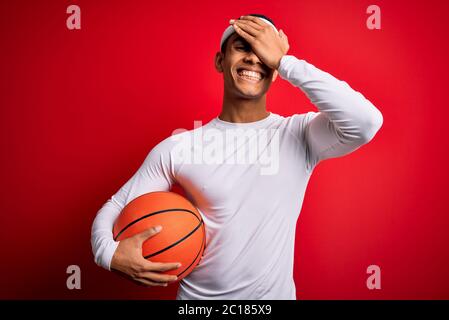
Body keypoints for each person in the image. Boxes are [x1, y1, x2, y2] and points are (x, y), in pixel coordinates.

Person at [91, 13, 383, 299]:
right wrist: (108, 253)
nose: (254, 58)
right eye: (242, 46)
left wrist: (285, 61)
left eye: (263, 51)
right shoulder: (180, 147)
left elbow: (365, 121)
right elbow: (117, 205)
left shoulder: (299, 134)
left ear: (275, 70)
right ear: (220, 61)